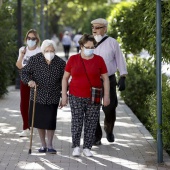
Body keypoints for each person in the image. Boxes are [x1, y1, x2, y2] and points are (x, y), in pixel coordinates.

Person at [61, 34, 110, 157]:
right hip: (75, 95)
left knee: (91, 122)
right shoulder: (73, 59)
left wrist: (107, 96)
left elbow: (105, 78)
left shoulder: (99, 60)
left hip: (94, 96)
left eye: (92, 47)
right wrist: (64, 95)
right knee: (77, 122)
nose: (90, 49)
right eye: (88, 47)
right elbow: (65, 78)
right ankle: (76, 146)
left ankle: (87, 147)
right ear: (81, 46)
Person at [21, 40, 66, 154]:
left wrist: (64, 95)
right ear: (43, 51)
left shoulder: (60, 63)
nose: (49, 53)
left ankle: (50, 145)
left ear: (55, 51)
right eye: (47, 51)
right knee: (40, 121)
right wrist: (29, 81)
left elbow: (64, 81)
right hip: (38, 95)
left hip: (53, 95)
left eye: (51, 51)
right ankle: (43, 145)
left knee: (50, 121)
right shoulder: (35, 59)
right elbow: (24, 73)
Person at [91, 18, 128, 145]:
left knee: (110, 107)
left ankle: (109, 128)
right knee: (93, 108)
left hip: (110, 78)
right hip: (93, 81)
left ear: (105, 28)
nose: (95, 30)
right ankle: (96, 136)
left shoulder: (113, 43)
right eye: (93, 28)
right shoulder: (88, 43)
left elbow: (119, 59)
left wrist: (123, 76)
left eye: (98, 27)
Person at [16, 29, 41, 137]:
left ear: (37, 40)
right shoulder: (23, 49)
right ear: (26, 39)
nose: (31, 40)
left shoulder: (40, 51)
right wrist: (22, 55)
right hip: (25, 78)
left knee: (36, 103)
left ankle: (37, 125)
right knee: (24, 103)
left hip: (36, 79)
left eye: (33, 38)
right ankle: (26, 127)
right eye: (29, 38)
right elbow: (19, 66)